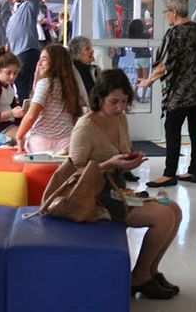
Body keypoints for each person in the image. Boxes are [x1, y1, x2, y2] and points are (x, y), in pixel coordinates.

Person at [69, 69, 182, 299]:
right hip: (96, 195)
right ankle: (139, 277)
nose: (120, 107)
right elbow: (73, 173)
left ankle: (150, 271)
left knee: (175, 210)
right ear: (99, 98)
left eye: (124, 101)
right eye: (114, 102)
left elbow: (122, 153)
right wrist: (108, 164)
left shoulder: (119, 119)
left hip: (115, 187)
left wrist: (129, 160)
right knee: (163, 215)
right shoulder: (85, 127)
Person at [138, 0, 196, 188]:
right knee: (195, 129)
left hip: (179, 93)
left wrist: (149, 81)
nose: (165, 16)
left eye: (165, 12)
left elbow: (164, 65)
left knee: (172, 130)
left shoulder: (175, 34)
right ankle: (193, 171)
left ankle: (169, 174)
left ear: (174, 11)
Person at [16, 44, 82, 154]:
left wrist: (19, 135)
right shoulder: (70, 86)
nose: (39, 63)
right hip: (67, 141)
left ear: (55, 63)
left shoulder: (45, 84)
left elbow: (32, 115)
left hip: (42, 141)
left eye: (44, 59)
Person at [70, 0, 117, 69]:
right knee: (102, 78)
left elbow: (73, 20)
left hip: (80, 47)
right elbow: (109, 23)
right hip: (101, 46)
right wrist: (112, 44)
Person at [6, 0, 41, 103]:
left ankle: (23, 109)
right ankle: (23, 106)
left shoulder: (32, 3)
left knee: (22, 82)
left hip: (27, 50)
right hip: (18, 51)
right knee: (20, 83)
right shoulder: (17, 8)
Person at [68, 36, 100, 108]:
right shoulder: (70, 72)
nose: (92, 51)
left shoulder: (95, 70)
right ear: (77, 54)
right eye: (87, 49)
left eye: (91, 48)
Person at [127, 19, 152, 103]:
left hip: (136, 58)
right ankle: (143, 97)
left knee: (139, 77)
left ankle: (134, 93)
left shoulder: (133, 37)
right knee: (145, 78)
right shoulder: (144, 35)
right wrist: (150, 23)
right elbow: (152, 30)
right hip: (144, 58)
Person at [110, 0, 127, 68]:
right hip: (110, 41)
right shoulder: (108, 5)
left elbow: (120, 25)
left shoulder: (119, 8)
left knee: (115, 66)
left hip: (117, 40)